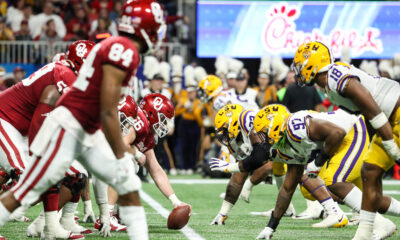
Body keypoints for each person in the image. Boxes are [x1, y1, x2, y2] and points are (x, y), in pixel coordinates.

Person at [0, 1, 166, 240]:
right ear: (146, 29)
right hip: (69, 125)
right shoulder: (125, 52)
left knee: (124, 182)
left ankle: (55, 223)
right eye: (155, 28)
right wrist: (120, 152)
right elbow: (107, 109)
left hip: (85, 127)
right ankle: (45, 224)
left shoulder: (121, 48)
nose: (157, 35)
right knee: (27, 187)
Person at [292, 41, 400, 240]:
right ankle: (364, 232)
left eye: (300, 65)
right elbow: (365, 113)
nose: (297, 71)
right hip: (384, 119)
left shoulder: (335, 77)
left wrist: (389, 144)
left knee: (352, 176)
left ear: (312, 64)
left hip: (395, 112)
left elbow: (371, 106)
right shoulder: (328, 87)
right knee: (370, 172)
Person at [100, 94, 191, 231]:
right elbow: (121, 144)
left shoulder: (149, 133)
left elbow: (156, 170)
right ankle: (107, 215)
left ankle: (116, 214)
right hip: (98, 156)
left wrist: (175, 201)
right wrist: (136, 154)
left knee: (132, 165)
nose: (164, 124)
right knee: (128, 163)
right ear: (152, 113)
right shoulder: (140, 121)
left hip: (106, 161)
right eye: (163, 119)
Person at [210, 104, 288, 225]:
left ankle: (324, 208)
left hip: (290, 141)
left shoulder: (251, 123)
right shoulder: (234, 141)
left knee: (302, 173)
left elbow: (260, 159)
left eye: (224, 130)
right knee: (281, 166)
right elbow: (239, 175)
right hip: (276, 151)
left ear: (235, 124)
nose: (223, 135)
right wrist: (223, 212)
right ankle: (289, 209)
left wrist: (228, 168)